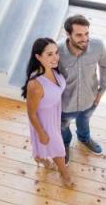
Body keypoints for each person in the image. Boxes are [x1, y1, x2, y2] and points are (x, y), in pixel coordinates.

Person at [22, 37, 75, 188]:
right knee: (58, 147)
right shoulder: (35, 85)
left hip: (55, 113)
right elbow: (31, 113)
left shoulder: (54, 70)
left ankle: (41, 158)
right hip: (43, 119)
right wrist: (41, 132)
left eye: (56, 52)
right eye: (49, 54)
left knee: (51, 144)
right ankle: (65, 174)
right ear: (38, 57)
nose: (55, 57)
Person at [58, 15, 106, 163]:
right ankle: (65, 144)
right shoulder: (57, 52)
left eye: (87, 33)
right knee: (63, 127)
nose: (85, 38)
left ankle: (84, 138)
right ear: (68, 34)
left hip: (90, 99)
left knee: (84, 120)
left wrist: (101, 91)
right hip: (65, 104)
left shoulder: (98, 45)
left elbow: (105, 66)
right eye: (79, 35)